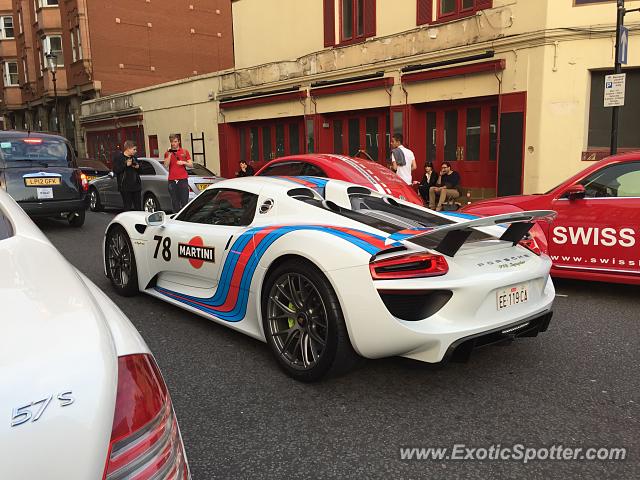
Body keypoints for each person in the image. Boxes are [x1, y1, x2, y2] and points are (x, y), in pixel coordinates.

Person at [164, 134, 193, 212]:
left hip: (182, 179)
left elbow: (191, 165)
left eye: (175, 141)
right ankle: (176, 217)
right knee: (175, 202)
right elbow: (166, 165)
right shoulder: (167, 153)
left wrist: (183, 162)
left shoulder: (184, 151)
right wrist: (169, 154)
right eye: (172, 142)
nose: (173, 143)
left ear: (179, 142)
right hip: (172, 180)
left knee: (184, 201)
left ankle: (184, 218)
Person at [112, 140, 142, 211]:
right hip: (125, 187)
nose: (135, 151)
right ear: (128, 148)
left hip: (136, 186)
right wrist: (125, 165)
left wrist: (138, 167)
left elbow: (140, 171)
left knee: (138, 207)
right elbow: (115, 170)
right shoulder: (119, 157)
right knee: (127, 207)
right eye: (134, 149)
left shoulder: (134, 158)